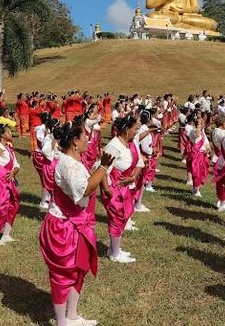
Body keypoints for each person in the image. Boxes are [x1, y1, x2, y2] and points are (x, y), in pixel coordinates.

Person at [39, 119, 114, 326]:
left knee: (78, 269)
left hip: (77, 224)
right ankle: (62, 322)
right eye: (84, 137)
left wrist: (101, 169)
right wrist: (103, 167)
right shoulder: (66, 164)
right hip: (64, 227)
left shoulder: (75, 161)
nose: (88, 140)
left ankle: (71, 316)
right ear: (74, 141)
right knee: (64, 274)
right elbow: (84, 190)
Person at [101, 115, 144, 263]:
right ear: (126, 130)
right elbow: (101, 169)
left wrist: (133, 178)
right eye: (135, 129)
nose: (137, 132)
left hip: (127, 188)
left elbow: (139, 162)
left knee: (122, 218)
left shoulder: (131, 143)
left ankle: (115, 249)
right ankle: (114, 253)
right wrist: (108, 191)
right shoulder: (114, 146)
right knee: (117, 219)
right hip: (115, 190)